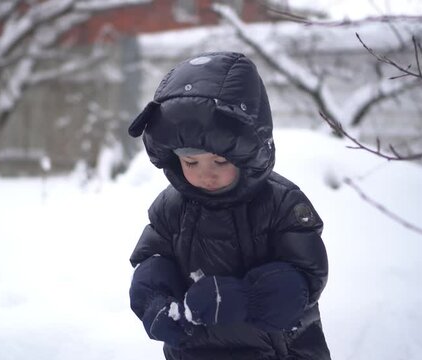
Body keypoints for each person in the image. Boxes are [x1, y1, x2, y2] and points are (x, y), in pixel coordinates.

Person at [127, 52, 331, 360]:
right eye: (190, 162)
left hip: (278, 351)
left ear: (249, 152)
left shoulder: (281, 203)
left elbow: (304, 280)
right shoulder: (170, 207)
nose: (204, 174)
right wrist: (154, 301)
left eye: (220, 161)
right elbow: (154, 259)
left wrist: (246, 297)